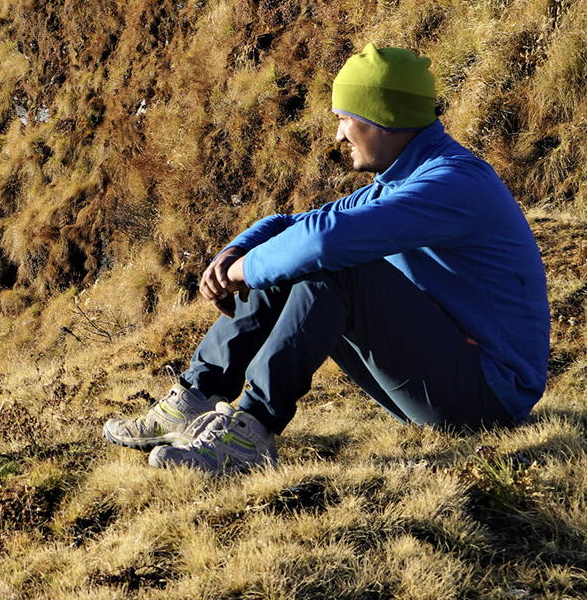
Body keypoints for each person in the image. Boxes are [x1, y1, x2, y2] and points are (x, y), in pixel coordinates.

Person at [104, 43, 550, 473]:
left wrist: (243, 272)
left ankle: (249, 433)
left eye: (344, 120)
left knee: (335, 266)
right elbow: (295, 226)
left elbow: (323, 243)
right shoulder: (404, 181)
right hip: (453, 376)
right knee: (291, 254)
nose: (338, 135)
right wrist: (235, 253)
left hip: (490, 395)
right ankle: (196, 395)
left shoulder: (453, 184)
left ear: (382, 119)